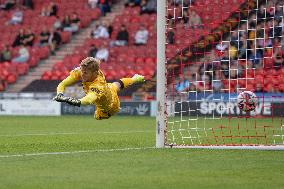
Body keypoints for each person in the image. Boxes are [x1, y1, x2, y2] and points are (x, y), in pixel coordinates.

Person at [53, 57, 145, 120]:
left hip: (110, 106)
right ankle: (135, 78)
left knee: (97, 116)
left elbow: (89, 99)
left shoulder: (98, 85)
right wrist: (59, 93)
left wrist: (75, 101)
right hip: (108, 88)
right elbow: (63, 84)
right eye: (82, 71)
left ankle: (135, 79)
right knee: (116, 85)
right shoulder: (82, 71)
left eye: (85, 73)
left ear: (95, 73)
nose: (82, 74)